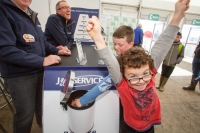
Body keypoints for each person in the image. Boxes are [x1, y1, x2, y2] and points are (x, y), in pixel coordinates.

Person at [74, 0, 190, 132]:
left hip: (149, 126)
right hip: (128, 126)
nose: (141, 81)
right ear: (124, 76)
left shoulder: (149, 68)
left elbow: (162, 45)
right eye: (133, 77)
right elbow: (109, 62)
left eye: (145, 74)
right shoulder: (121, 80)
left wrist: (177, 16)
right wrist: (97, 37)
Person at [0, 0, 71, 133]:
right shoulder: (3, 10)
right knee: (25, 114)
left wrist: (57, 51)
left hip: (38, 70)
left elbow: (42, 42)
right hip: (19, 75)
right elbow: (4, 49)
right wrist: (41, 61)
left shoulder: (31, 14)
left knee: (40, 106)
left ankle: (43, 128)